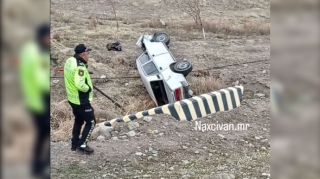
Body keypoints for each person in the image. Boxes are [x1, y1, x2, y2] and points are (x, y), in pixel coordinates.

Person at [19, 23, 50, 178]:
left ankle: (38, 164)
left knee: (42, 133)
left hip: (38, 97)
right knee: (44, 132)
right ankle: (40, 165)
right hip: (38, 98)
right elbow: (39, 78)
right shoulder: (34, 52)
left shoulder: (37, 50)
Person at [64, 44, 96, 154]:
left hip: (72, 98)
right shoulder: (80, 67)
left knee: (79, 120)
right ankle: (82, 144)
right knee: (91, 122)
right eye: (87, 53)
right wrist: (88, 89)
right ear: (82, 54)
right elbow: (79, 84)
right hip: (81, 100)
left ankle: (75, 143)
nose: (88, 56)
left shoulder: (70, 60)